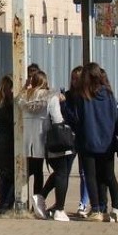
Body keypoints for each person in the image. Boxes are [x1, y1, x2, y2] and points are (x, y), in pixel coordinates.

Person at [72, 62, 118, 222]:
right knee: (107, 176)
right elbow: (115, 116)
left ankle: (96, 210)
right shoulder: (108, 94)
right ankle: (114, 208)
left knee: (91, 176)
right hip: (107, 142)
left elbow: (75, 118)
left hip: (88, 141)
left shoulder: (82, 96)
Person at [35, 71, 74, 222]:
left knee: (56, 172)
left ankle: (40, 197)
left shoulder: (27, 98)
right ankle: (59, 209)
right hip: (55, 141)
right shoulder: (51, 97)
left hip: (38, 142)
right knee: (62, 174)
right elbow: (57, 119)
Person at [16, 70, 49, 219]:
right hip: (40, 137)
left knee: (25, 172)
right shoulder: (47, 96)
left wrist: (24, 88)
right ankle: (37, 201)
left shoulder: (24, 96)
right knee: (38, 173)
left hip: (25, 138)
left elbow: (18, 101)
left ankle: (20, 200)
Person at [62, 66, 90, 216]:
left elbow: (75, 118)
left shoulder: (86, 97)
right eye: (72, 78)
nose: (74, 82)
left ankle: (83, 203)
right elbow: (68, 117)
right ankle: (60, 203)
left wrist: (65, 106)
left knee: (84, 172)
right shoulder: (68, 96)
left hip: (83, 137)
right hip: (70, 137)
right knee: (64, 171)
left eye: (77, 79)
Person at [0, 75, 15, 213]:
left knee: (3, 176)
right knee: (13, 176)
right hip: (11, 143)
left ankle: (2, 204)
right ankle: (7, 205)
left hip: (0, 142)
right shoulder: (12, 105)